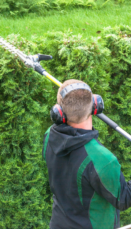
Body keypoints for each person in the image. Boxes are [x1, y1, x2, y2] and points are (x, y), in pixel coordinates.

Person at [43, 79, 131, 229]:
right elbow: (123, 199)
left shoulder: (49, 136)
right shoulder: (103, 159)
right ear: (96, 106)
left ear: (58, 113)